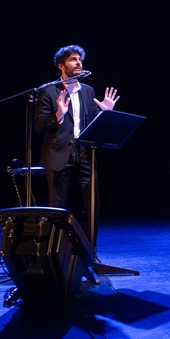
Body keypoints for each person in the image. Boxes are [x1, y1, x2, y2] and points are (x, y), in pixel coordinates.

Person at [34, 44, 120, 250]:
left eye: (80, 59)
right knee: (57, 208)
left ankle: (89, 251)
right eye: (73, 59)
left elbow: (95, 126)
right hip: (58, 153)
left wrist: (106, 112)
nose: (78, 63)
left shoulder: (88, 91)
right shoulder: (48, 91)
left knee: (92, 205)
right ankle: (56, 252)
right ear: (61, 65)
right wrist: (59, 114)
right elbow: (39, 127)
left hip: (85, 154)